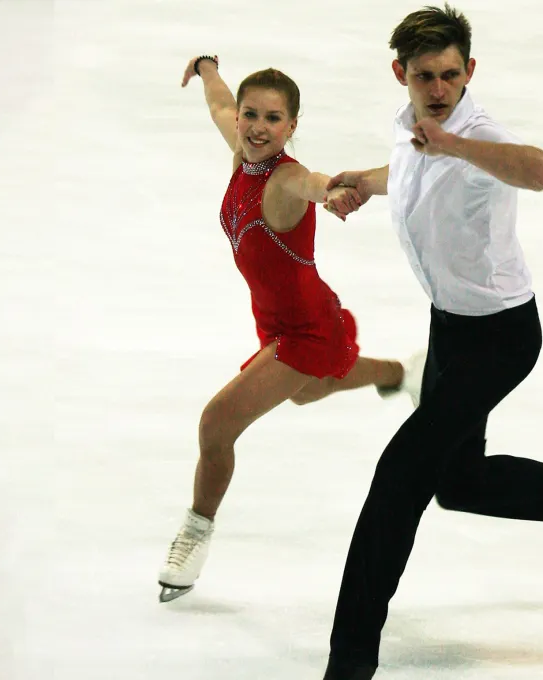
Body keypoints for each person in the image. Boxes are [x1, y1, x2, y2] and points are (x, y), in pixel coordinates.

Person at [318, 6, 543, 678]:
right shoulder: (412, 130)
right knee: (458, 484)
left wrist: (457, 145)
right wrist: (367, 185)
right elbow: (410, 163)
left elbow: (539, 170)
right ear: (400, 73)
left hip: (501, 337)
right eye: (426, 76)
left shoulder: (478, 134)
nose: (439, 88)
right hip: (450, 331)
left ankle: (349, 660)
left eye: (451, 75)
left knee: (399, 477)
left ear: (470, 71)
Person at [156, 56, 424, 604]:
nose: (257, 126)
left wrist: (335, 194)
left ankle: (195, 534)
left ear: (292, 127)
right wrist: (207, 68)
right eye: (251, 115)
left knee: (215, 426)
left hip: (304, 327)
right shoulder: (240, 152)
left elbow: (315, 183)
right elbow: (219, 104)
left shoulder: (286, 177)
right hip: (277, 319)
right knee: (310, 392)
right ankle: (401, 373)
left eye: (273, 119)